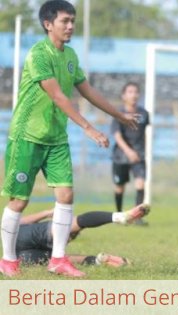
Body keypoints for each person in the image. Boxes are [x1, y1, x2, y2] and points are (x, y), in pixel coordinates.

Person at [0, 0, 138, 278]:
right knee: (19, 201)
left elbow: (87, 91)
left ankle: (59, 260)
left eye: (73, 20)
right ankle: (8, 260)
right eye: (65, 21)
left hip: (56, 139)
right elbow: (58, 96)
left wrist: (120, 115)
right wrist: (88, 128)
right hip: (27, 137)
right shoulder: (39, 54)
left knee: (66, 195)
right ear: (48, 24)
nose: (71, 25)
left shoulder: (71, 55)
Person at [17, 204, 150, 267]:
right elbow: (16, 222)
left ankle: (97, 260)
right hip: (17, 239)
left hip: (17, 258)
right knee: (71, 225)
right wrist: (47, 212)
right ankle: (121, 217)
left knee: (58, 259)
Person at [111, 82, 150, 225]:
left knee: (140, 184)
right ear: (123, 95)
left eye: (136, 91)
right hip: (121, 155)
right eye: (130, 92)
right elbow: (117, 135)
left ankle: (137, 218)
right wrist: (128, 151)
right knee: (120, 186)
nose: (133, 95)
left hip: (138, 155)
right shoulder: (118, 113)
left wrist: (142, 151)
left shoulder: (144, 114)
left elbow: (143, 133)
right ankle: (119, 215)